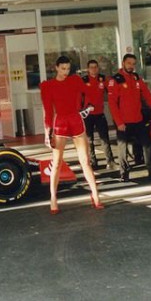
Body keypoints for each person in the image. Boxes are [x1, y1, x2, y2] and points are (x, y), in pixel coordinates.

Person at [40, 56, 103, 214]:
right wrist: (47, 132)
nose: (65, 72)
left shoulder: (75, 80)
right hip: (60, 122)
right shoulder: (48, 85)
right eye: (63, 68)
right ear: (56, 68)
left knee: (85, 161)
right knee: (56, 163)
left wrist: (89, 106)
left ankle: (95, 194)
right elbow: (48, 111)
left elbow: (89, 93)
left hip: (75, 120)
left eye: (68, 68)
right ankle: (53, 198)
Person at [107, 54, 151, 182]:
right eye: (129, 63)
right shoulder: (115, 80)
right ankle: (124, 173)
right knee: (122, 147)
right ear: (123, 63)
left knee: (147, 144)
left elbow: (146, 93)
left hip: (138, 119)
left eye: (133, 64)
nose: (131, 66)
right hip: (123, 122)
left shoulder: (136, 77)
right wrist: (119, 122)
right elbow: (112, 104)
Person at [81, 59, 116, 170]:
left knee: (105, 139)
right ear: (88, 69)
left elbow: (112, 87)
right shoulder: (84, 80)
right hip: (87, 115)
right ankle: (93, 162)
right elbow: (77, 96)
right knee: (89, 140)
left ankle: (110, 161)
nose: (94, 69)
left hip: (100, 114)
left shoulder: (102, 79)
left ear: (98, 68)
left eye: (95, 67)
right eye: (91, 67)